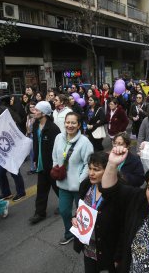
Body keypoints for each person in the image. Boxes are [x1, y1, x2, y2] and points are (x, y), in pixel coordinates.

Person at [72, 152, 121, 273]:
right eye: (90, 168)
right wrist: (75, 218)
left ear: (108, 171)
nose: (91, 173)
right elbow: (81, 208)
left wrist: (119, 256)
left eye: (96, 170)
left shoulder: (117, 193)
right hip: (88, 249)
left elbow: (123, 227)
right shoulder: (86, 185)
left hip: (107, 251)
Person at [52, 112, 94, 245]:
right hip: (63, 184)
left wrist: (80, 180)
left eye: (73, 123)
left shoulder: (84, 142)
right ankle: (69, 233)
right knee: (64, 211)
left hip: (79, 186)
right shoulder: (58, 137)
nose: (70, 125)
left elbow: (89, 163)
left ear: (79, 125)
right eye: (67, 122)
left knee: (82, 214)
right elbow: (54, 156)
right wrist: (55, 168)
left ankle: (83, 235)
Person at [29, 101, 61, 225]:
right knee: (41, 189)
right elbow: (35, 144)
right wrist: (36, 160)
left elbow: (58, 149)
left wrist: (56, 165)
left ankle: (65, 205)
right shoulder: (36, 125)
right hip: (41, 166)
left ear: (44, 113)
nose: (34, 112)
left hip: (51, 166)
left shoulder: (53, 128)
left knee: (58, 188)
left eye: (37, 110)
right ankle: (40, 213)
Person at [0, 106, 27, 201]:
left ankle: (21, 192)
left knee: (15, 173)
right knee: (0, 173)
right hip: (2, 154)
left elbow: (19, 139)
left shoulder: (13, 125)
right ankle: (6, 193)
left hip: (12, 154)